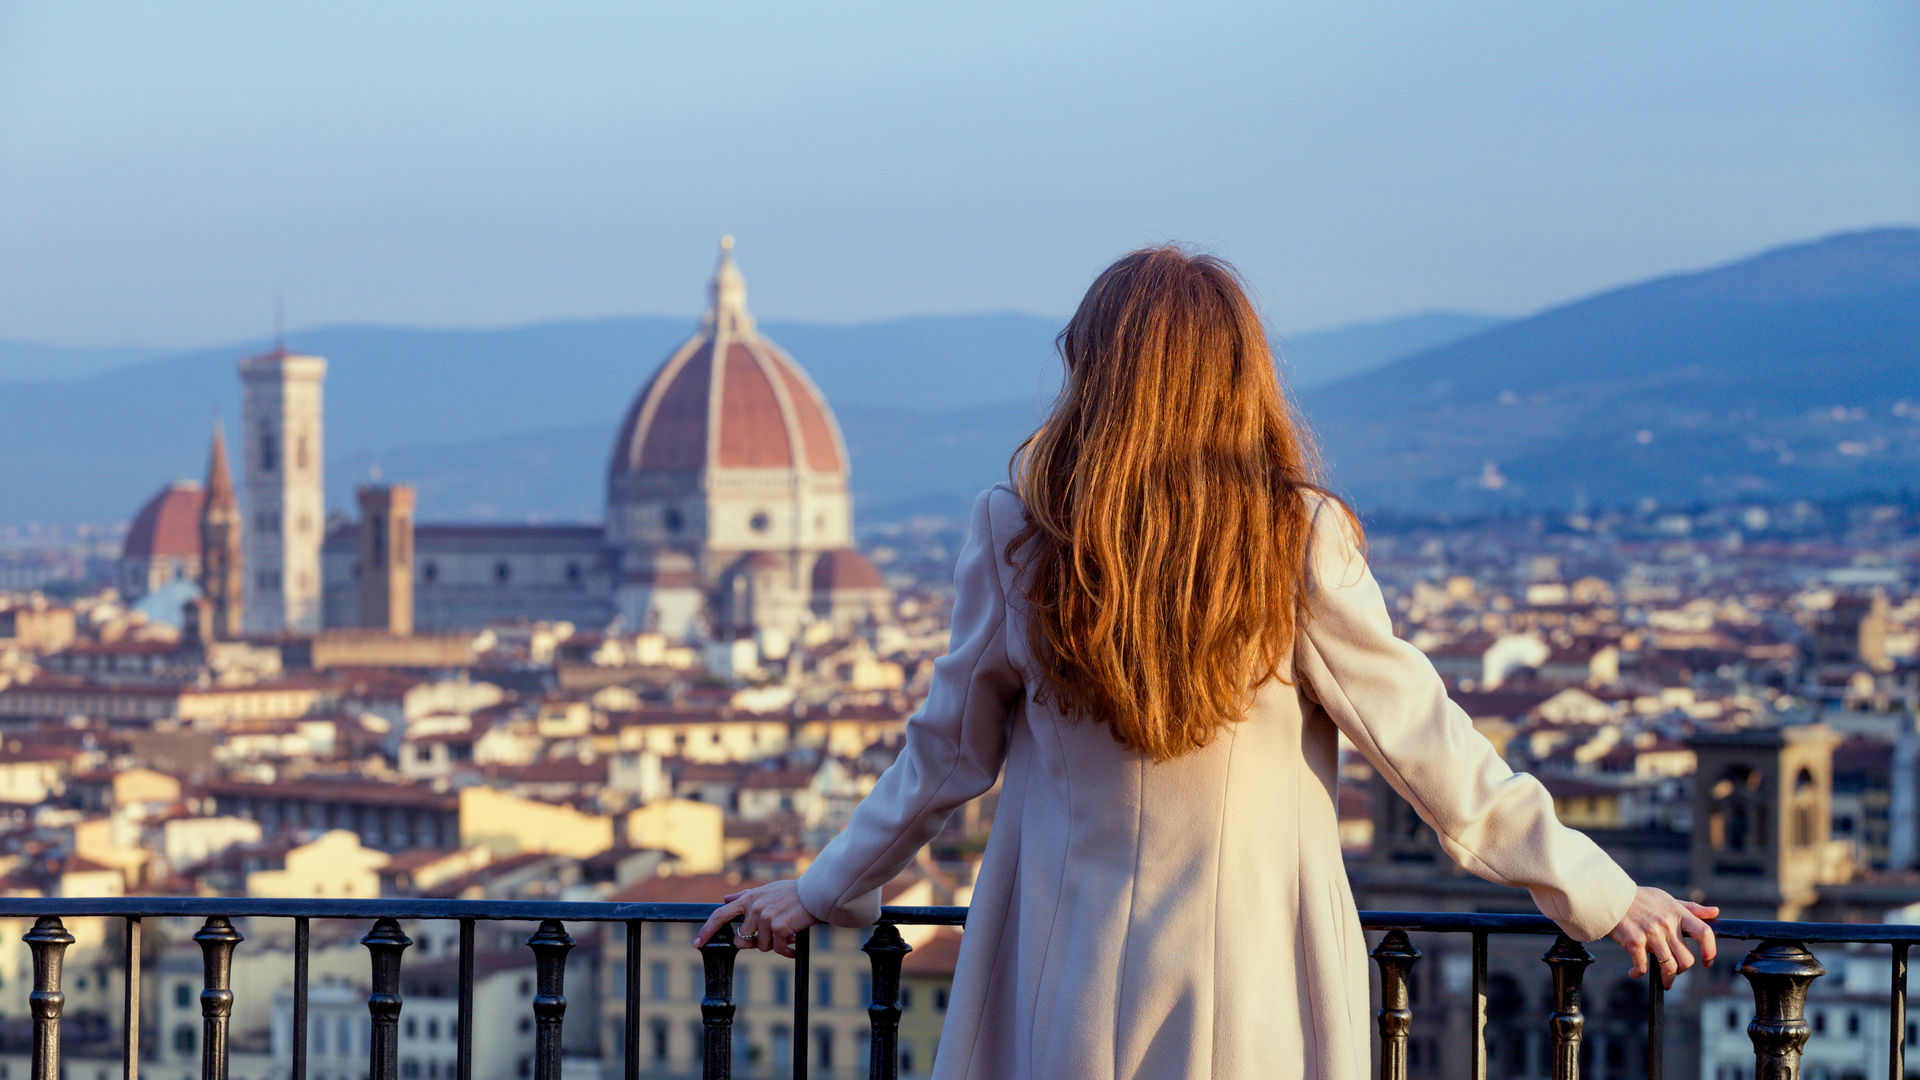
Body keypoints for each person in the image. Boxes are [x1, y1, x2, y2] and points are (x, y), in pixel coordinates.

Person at [695, 246, 1717, 1079]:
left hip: (1067, 970)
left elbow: (942, 759)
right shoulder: (1295, 539)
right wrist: (1601, 892)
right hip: (1255, 971)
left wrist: (824, 887)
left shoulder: (1020, 535)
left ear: (1093, 371)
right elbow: (1432, 750)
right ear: (1241, 375)